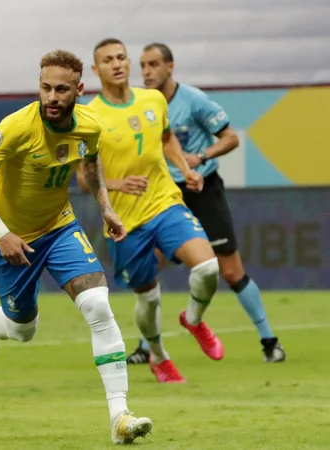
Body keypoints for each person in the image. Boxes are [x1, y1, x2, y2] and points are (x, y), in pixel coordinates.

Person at [0, 49, 152, 445]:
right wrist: (1, 232)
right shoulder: (16, 127)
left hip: (60, 228)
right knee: (22, 329)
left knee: (98, 304)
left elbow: (90, 167)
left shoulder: (89, 127)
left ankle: (120, 417)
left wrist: (106, 208)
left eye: (62, 89)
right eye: (45, 88)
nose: (52, 97)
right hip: (10, 239)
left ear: (78, 89)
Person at [126, 42, 285, 364]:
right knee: (148, 267)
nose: (146, 72)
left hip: (203, 190)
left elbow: (231, 137)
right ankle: (147, 348)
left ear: (170, 67)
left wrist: (200, 156)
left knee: (230, 270)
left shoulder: (193, 100)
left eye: (154, 64)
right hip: (163, 194)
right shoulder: (141, 105)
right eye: (142, 65)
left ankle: (269, 341)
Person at [77, 38, 224, 384]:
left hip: (164, 201)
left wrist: (185, 169)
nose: (117, 64)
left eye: (121, 57)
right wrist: (116, 184)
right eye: (108, 60)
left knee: (207, 267)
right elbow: (84, 179)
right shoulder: (89, 116)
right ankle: (158, 356)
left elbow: (166, 138)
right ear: (96, 70)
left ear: (129, 62)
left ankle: (193, 319)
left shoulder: (153, 99)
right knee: (148, 297)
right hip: (124, 222)